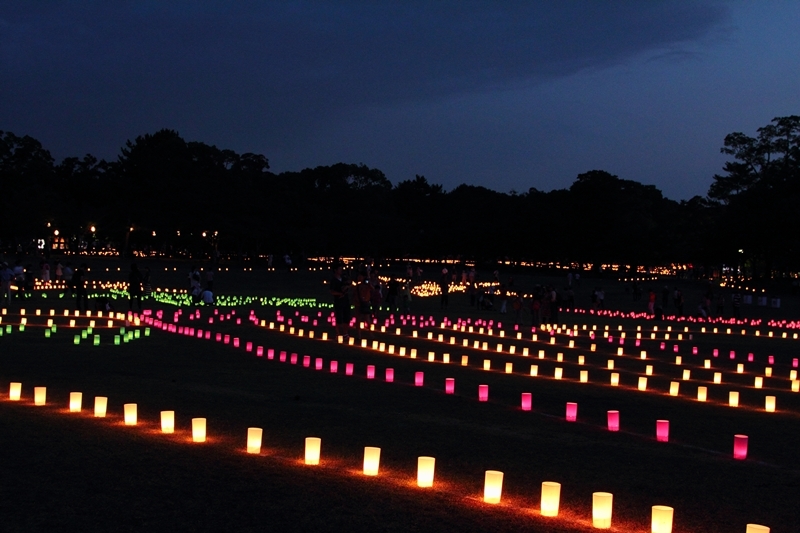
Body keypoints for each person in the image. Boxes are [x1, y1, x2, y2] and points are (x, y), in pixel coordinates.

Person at [329, 265, 351, 338]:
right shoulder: (333, 280)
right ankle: (337, 333)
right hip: (338, 301)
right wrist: (340, 294)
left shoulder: (343, 279)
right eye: (339, 269)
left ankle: (345, 333)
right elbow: (332, 291)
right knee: (339, 317)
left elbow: (348, 285)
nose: (341, 270)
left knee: (346, 317)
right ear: (335, 270)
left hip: (346, 300)